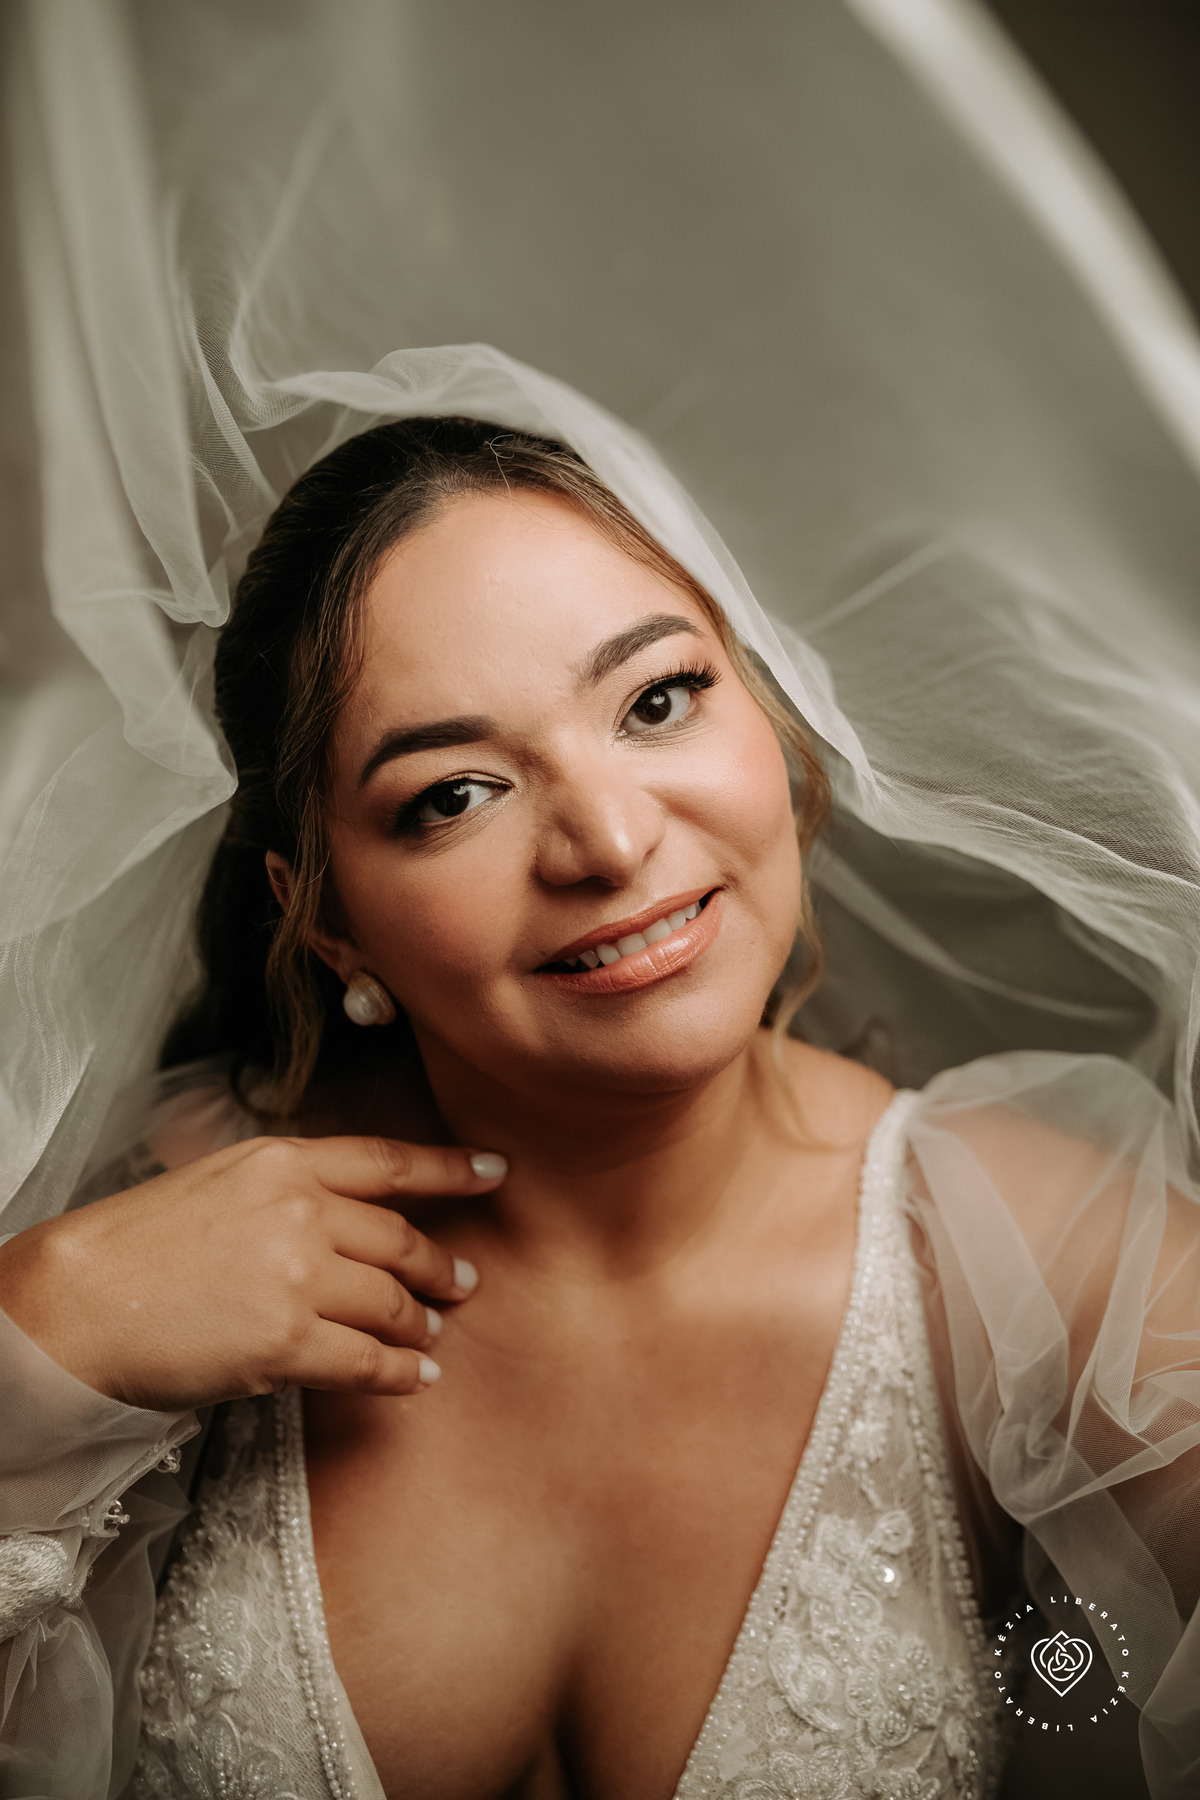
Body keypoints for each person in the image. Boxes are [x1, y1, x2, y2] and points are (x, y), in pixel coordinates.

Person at [1, 414, 1197, 1800]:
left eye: (658, 701)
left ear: (776, 719)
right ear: (324, 919)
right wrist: (35, 1337)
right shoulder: (167, 1245)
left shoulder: (1037, 1259)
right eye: (454, 794)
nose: (612, 842)